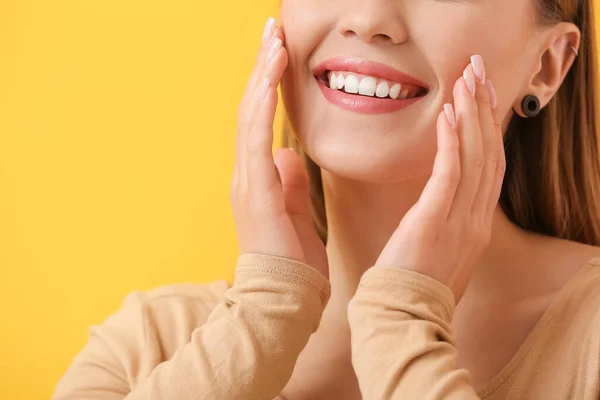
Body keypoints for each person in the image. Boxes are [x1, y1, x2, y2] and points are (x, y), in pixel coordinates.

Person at [53, 0, 600, 398]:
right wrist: (262, 319)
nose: (367, 17)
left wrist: (402, 323)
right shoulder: (147, 348)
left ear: (547, 65)